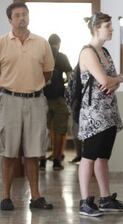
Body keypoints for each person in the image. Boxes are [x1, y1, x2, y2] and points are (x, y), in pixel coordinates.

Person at [0, 2, 55, 210]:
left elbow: (48, 72)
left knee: (33, 152)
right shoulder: (2, 43)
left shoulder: (42, 43)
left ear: (29, 17)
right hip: (9, 100)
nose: (21, 18)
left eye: (24, 14)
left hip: (35, 101)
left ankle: (36, 197)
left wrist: (31, 84)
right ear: (10, 20)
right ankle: (5, 197)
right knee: (8, 151)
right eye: (17, 15)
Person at [77, 12, 123, 217]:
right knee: (88, 156)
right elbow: (106, 81)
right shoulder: (88, 52)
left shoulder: (104, 52)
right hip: (93, 115)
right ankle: (85, 201)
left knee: (103, 157)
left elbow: (111, 84)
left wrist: (113, 81)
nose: (111, 29)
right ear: (96, 28)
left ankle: (106, 198)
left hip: (108, 112)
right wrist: (116, 79)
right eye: (108, 26)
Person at [40, 33, 72, 171]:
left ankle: (41, 161)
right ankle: (57, 161)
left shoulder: (43, 55)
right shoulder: (62, 56)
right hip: (59, 99)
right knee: (59, 131)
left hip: (42, 99)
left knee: (43, 131)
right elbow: (70, 77)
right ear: (58, 43)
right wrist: (64, 82)